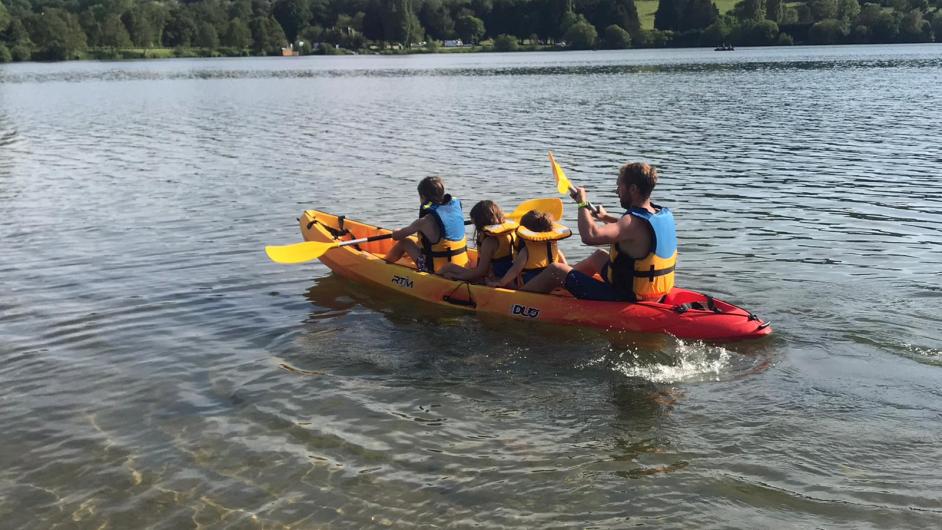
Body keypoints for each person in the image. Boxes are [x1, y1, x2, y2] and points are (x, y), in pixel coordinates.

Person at [520, 162, 676, 302]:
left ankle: (517, 298)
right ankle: (562, 287)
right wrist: (605, 217)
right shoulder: (659, 214)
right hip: (654, 293)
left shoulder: (631, 223)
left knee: (556, 270)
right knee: (598, 256)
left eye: (619, 186)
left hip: (627, 296)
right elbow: (634, 231)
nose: (617, 191)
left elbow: (590, 236)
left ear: (633, 189)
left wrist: (582, 204)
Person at [385, 176, 469, 273]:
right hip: (461, 264)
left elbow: (396, 236)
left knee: (405, 242)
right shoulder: (454, 209)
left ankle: (384, 265)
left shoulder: (424, 221)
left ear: (423, 197)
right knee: (418, 241)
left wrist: (396, 231)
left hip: (432, 269)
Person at [489, 210, 569, 289]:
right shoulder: (552, 245)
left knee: (506, 278)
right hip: (550, 281)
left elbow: (515, 270)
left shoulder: (526, 251)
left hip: (531, 284)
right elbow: (564, 264)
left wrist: (501, 282)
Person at [440, 200, 517, 282]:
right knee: (448, 267)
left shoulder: (489, 242)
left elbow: (481, 272)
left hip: (493, 279)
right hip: (505, 275)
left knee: (447, 269)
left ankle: (432, 280)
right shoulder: (507, 233)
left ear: (481, 223)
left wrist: (456, 277)